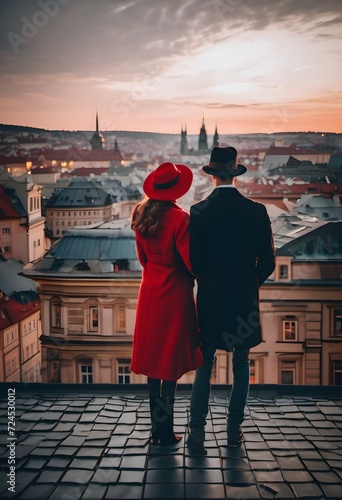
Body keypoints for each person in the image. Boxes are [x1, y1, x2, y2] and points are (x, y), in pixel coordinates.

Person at [187, 146, 275, 455]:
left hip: (210, 300)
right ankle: (233, 431)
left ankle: (196, 435)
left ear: (212, 175)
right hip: (243, 300)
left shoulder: (197, 212)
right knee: (241, 364)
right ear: (235, 174)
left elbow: (193, 262)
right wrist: (249, 284)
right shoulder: (257, 211)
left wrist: (208, 282)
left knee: (204, 366)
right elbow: (268, 263)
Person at [131, 161, 203, 446]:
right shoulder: (179, 218)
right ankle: (166, 430)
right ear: (176, 189)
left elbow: (142, 259)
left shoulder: (139, 213)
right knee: (169, 364)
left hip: (150, 290)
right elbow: (191, 262)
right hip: (174, 293)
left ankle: (155, 430)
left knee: (153, 364)